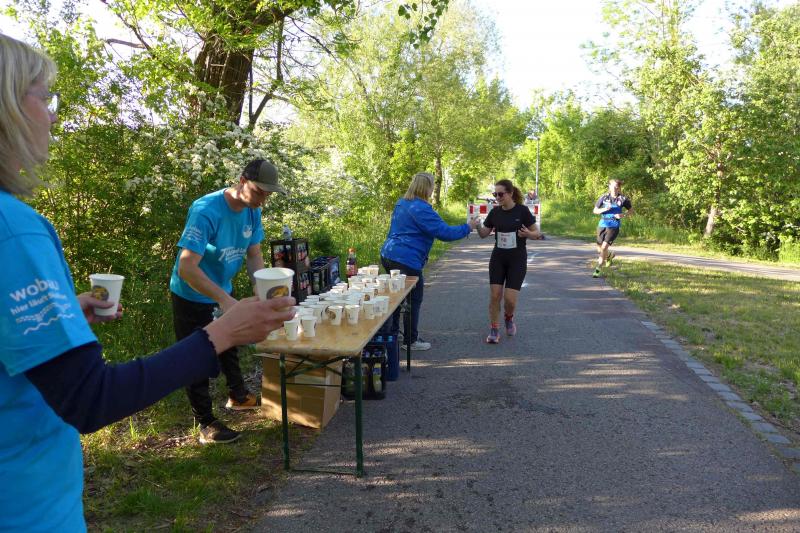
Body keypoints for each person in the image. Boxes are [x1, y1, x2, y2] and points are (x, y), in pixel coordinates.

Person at [0, 34, 295, 532]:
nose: (52, 116)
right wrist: (224, 325)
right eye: (44, 98)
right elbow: (90, 397)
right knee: (205, 354)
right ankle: (206, 422)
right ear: (7, 109)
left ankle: (234, 397)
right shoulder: (15, 230)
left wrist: (65, 312)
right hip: (27, 511)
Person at [170, 159, 286, 444]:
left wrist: (263, 290)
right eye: (259, 192)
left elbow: (254, 254)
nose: (262, 200)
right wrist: (224, 300)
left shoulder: (252, 211)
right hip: (192, 294)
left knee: (231, 343)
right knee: (197, 356)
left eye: (267, 195)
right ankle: (206, 423)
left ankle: (238, 396)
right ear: (242, 180)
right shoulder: (206, 211)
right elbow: (187, 267)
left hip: (223, 289)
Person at [380, 172, 480, 351]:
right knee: (414, 299)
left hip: (388, 254)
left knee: (396, 296)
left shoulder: (401, 203)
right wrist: (468, 227)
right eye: (432, 187)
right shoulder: (422, 209)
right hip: (406, 259)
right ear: (428, 188)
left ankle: (392, 335)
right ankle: (411, 341)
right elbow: (445, 233)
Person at [476, 179, 539, 344]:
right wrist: (477, 226)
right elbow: (483, 234)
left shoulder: (522, 211)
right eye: (495, 194)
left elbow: (537, 233)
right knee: (495, 295)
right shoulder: (495, 212)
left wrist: (528, 234)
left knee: (510, 300)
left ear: (510, 193)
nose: (497, 197)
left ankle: (509, 317)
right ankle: (494, 329)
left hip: (517, 259)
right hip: (498, 258)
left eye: (500, 194)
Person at [592, 178, 633, 278]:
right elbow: (595, 211)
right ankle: (609, 256)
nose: (614, 188)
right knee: (599, 249)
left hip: (614, 226)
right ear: (609, 187)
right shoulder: (604, 197)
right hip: (602, 224)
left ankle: (598, 270)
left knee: (604, 248)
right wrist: (604, 209)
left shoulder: (623, 199)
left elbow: (631, 211)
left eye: (616, 187)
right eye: (613, 186)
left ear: (619, 188)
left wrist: (622, 215)